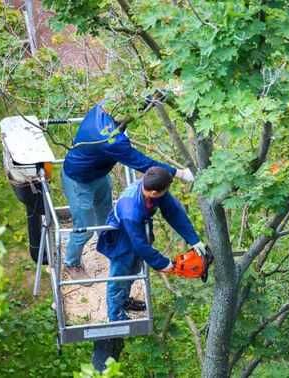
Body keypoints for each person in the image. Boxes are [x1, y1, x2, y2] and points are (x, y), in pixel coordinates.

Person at [61, 102, 194, 281]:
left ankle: (109, 249)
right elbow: (142, 163)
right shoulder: (111, 140)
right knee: (85, 228)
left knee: (106, 218)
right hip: (78, 180)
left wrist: (150, 98)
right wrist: (180, 173)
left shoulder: (103, 108)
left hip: (99, 174)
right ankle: (72, 262)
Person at [92, 166, 206, 371]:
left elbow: (174, 213)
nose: (166, 194)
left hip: (137, 234)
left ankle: (124, 300)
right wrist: (165, 264)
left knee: (133, 271)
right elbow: (140, 245)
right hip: (122, 238)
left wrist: (194, 240)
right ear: (153, 192)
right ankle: (115, 314)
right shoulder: (130, 209)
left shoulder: (157, 189)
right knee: (119, 276)